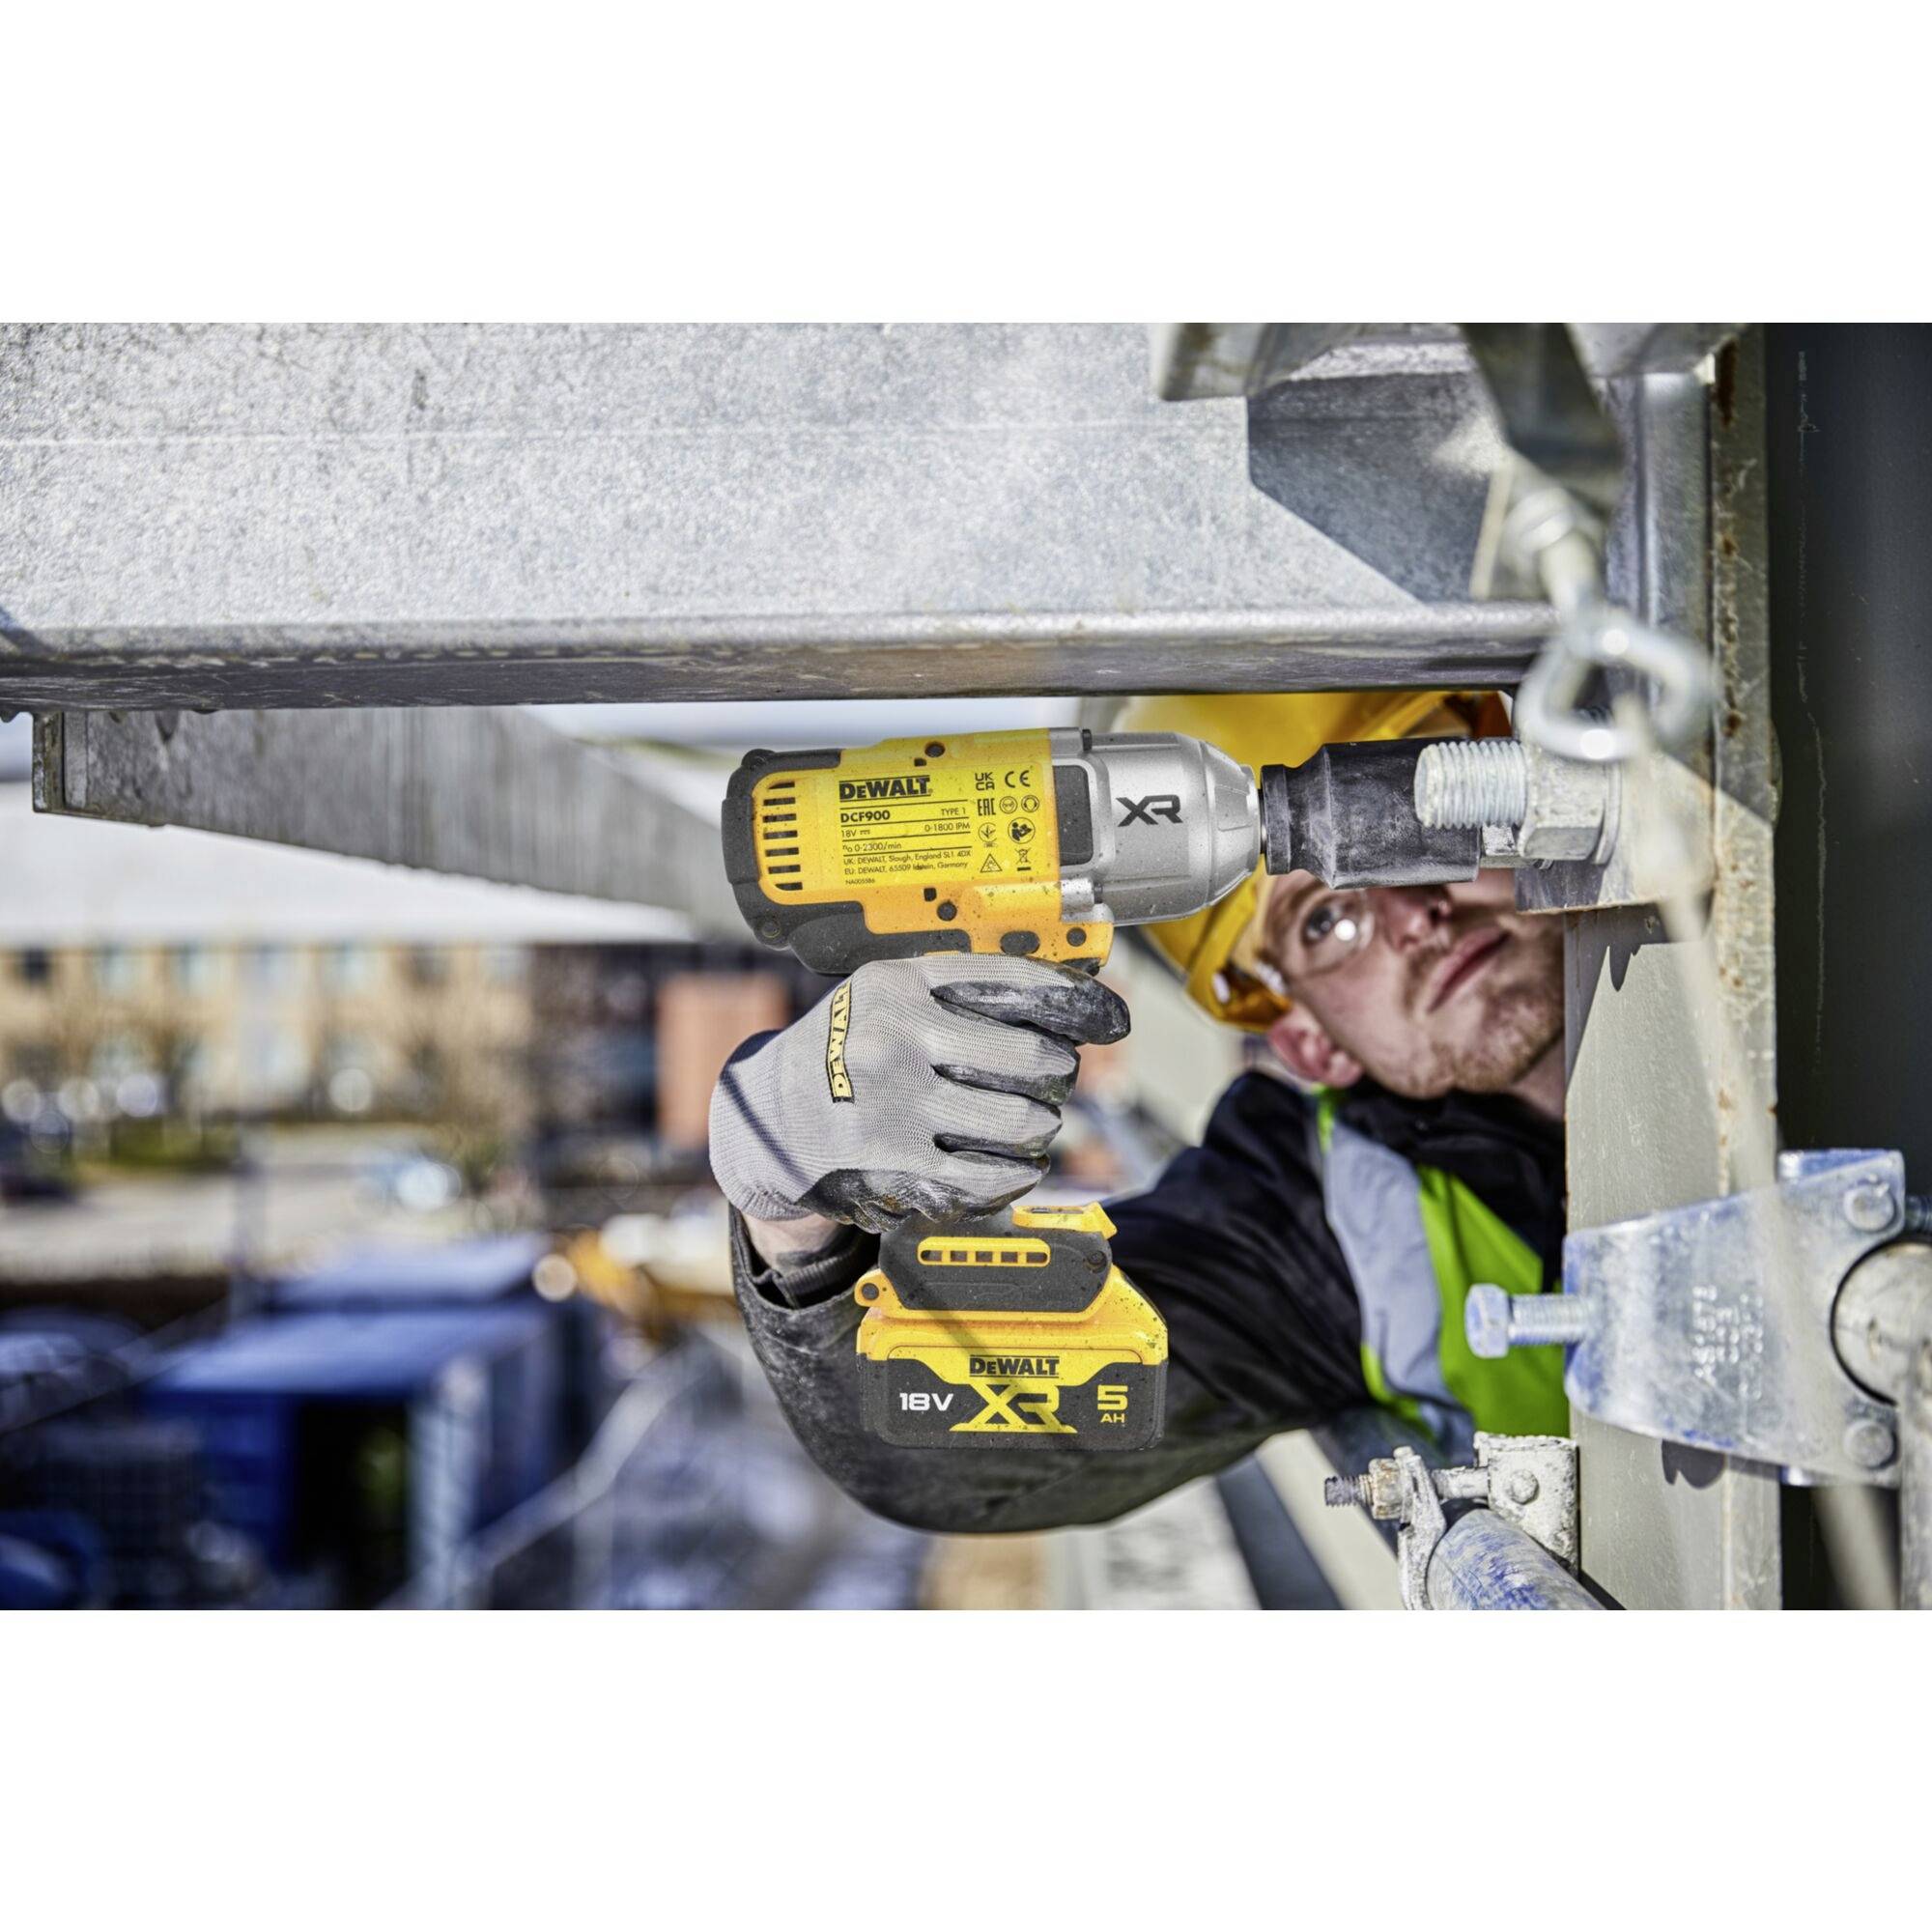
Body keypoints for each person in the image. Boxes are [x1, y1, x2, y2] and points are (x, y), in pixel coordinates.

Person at [707, 690, 1572, 1533]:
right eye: (1328, 922)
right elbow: (930, 1441)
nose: (1416, 915)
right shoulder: (1318, 1232)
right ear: (1311, 1043)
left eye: (1415, 825)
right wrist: (785, 1208)